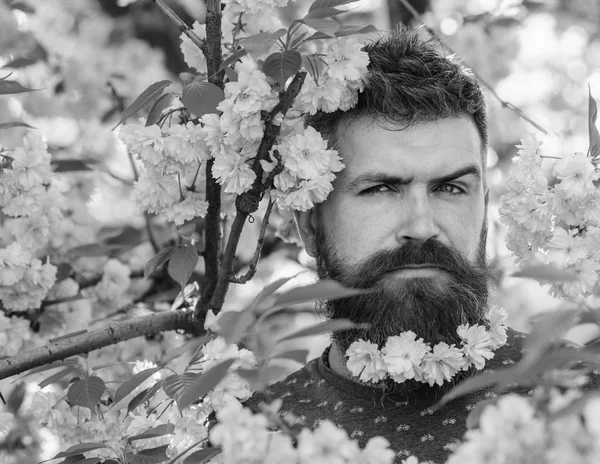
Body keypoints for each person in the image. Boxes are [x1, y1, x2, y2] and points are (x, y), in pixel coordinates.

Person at [248, 26, 530, 464]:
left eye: (451, 188)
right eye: (380, 189)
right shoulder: (249, 442)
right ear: (309, 224)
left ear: (485, 209)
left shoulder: (579, 396)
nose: (421, 227)